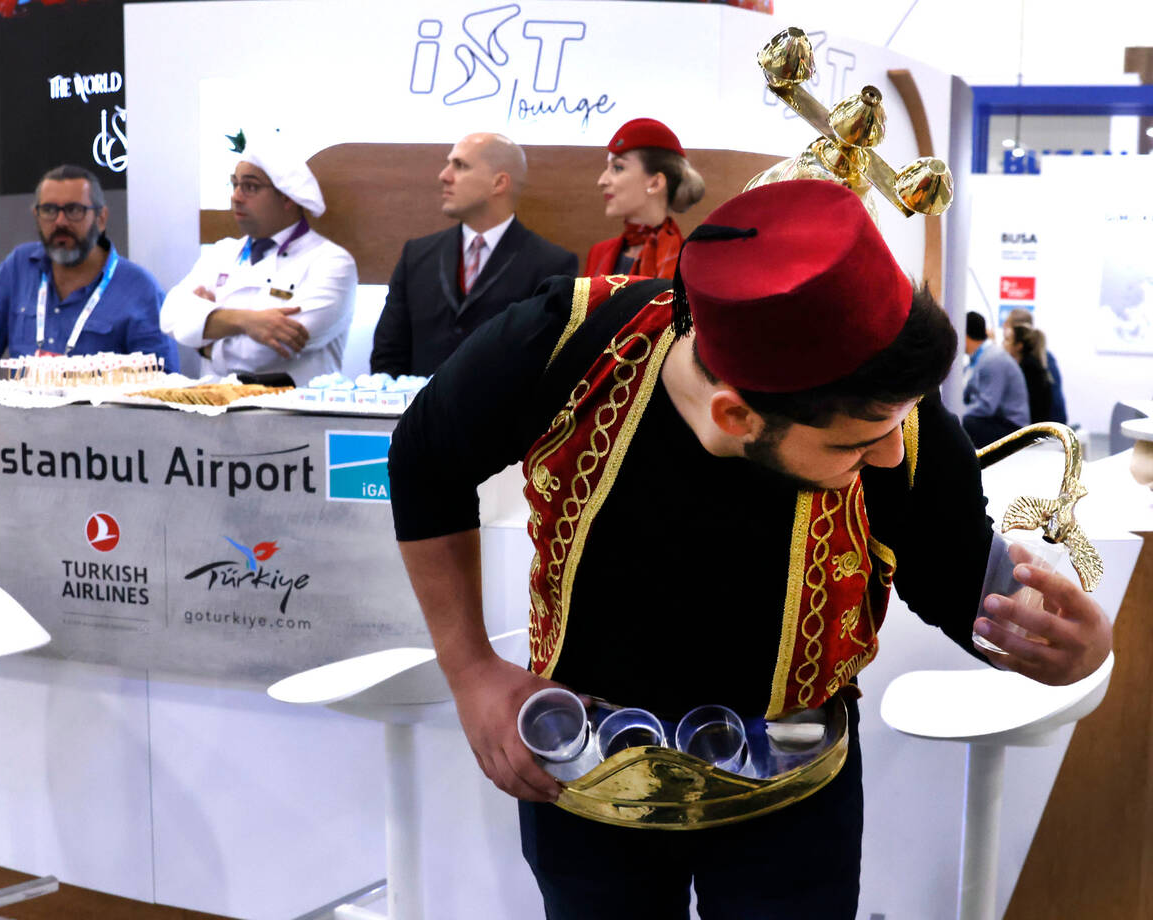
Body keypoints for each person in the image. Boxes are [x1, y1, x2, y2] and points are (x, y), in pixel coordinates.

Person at [387, 180, 1111, 919]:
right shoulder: (566, 340)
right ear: (735, 413)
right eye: (857, 446)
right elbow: (423, 460)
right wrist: (472, 670)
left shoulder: (893, 417)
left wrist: (1070, 649)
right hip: (586, 771)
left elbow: (961, 580)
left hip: (797, 786)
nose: (893, 455)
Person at [0, 164, 178, 392]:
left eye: (74, 210)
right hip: (23, 423)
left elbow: (163, 383)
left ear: (101, 218)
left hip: (104, 425)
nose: (60, 222)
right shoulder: (19, 267)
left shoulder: (139, 289)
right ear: (37, 216)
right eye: (49, 210)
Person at [369, 132, 578, 377]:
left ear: (499, 183)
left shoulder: (551, 265)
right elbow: (388, 355)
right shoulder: (416, 256)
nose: (444, 176)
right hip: (418, 411)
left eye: (460, 165)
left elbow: (548, 365)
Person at [160, 141, 357, 385]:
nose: (236, 197)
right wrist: (245, 321)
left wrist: (205, 345)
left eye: (250, 187)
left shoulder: (332, 262)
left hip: (293, 416)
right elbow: (169, 316)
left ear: (287, 198)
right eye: (234, 184)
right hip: (214, 410)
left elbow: (270, 351)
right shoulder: (221, 251)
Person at [585, 117, 705, 279]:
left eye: (618, 167)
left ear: (655, 183)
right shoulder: (598, 253)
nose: (602, 181)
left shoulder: (689, 260)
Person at [963, 309, 1030, 448]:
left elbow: (987, 406)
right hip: (1000, 420)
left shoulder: (992, 359)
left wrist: (957, 413)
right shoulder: (981, 358)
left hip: (1012, 428)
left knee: (964, 423)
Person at [1004, 307, 1067, 424]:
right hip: (1054, 424)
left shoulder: (1029, 364)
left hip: (1044, 427)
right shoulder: (1043, 356)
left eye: (1007, 324)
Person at [1005, 323, 1054, 424]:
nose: (1003, 343)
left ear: (1019, 346)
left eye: (1007, 340)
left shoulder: (1027, 368)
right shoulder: (1031, 364)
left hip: (1032, 426)